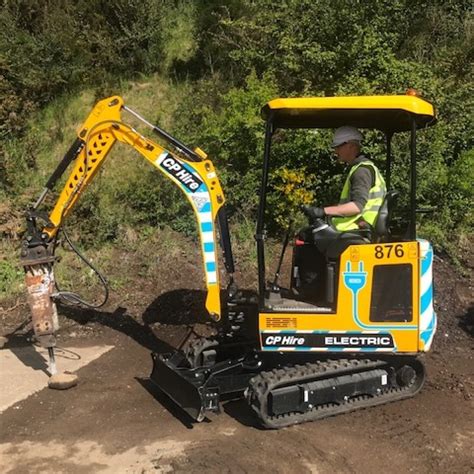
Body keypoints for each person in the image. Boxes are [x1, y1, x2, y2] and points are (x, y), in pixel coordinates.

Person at [304, 126, 386, 231]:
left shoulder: (361, 171)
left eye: (338, 147)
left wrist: (323, 211)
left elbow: (356, 207)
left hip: (358, 229)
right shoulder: (361, 168)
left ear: (351, 145)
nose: (335, 151)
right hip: (359, 228)